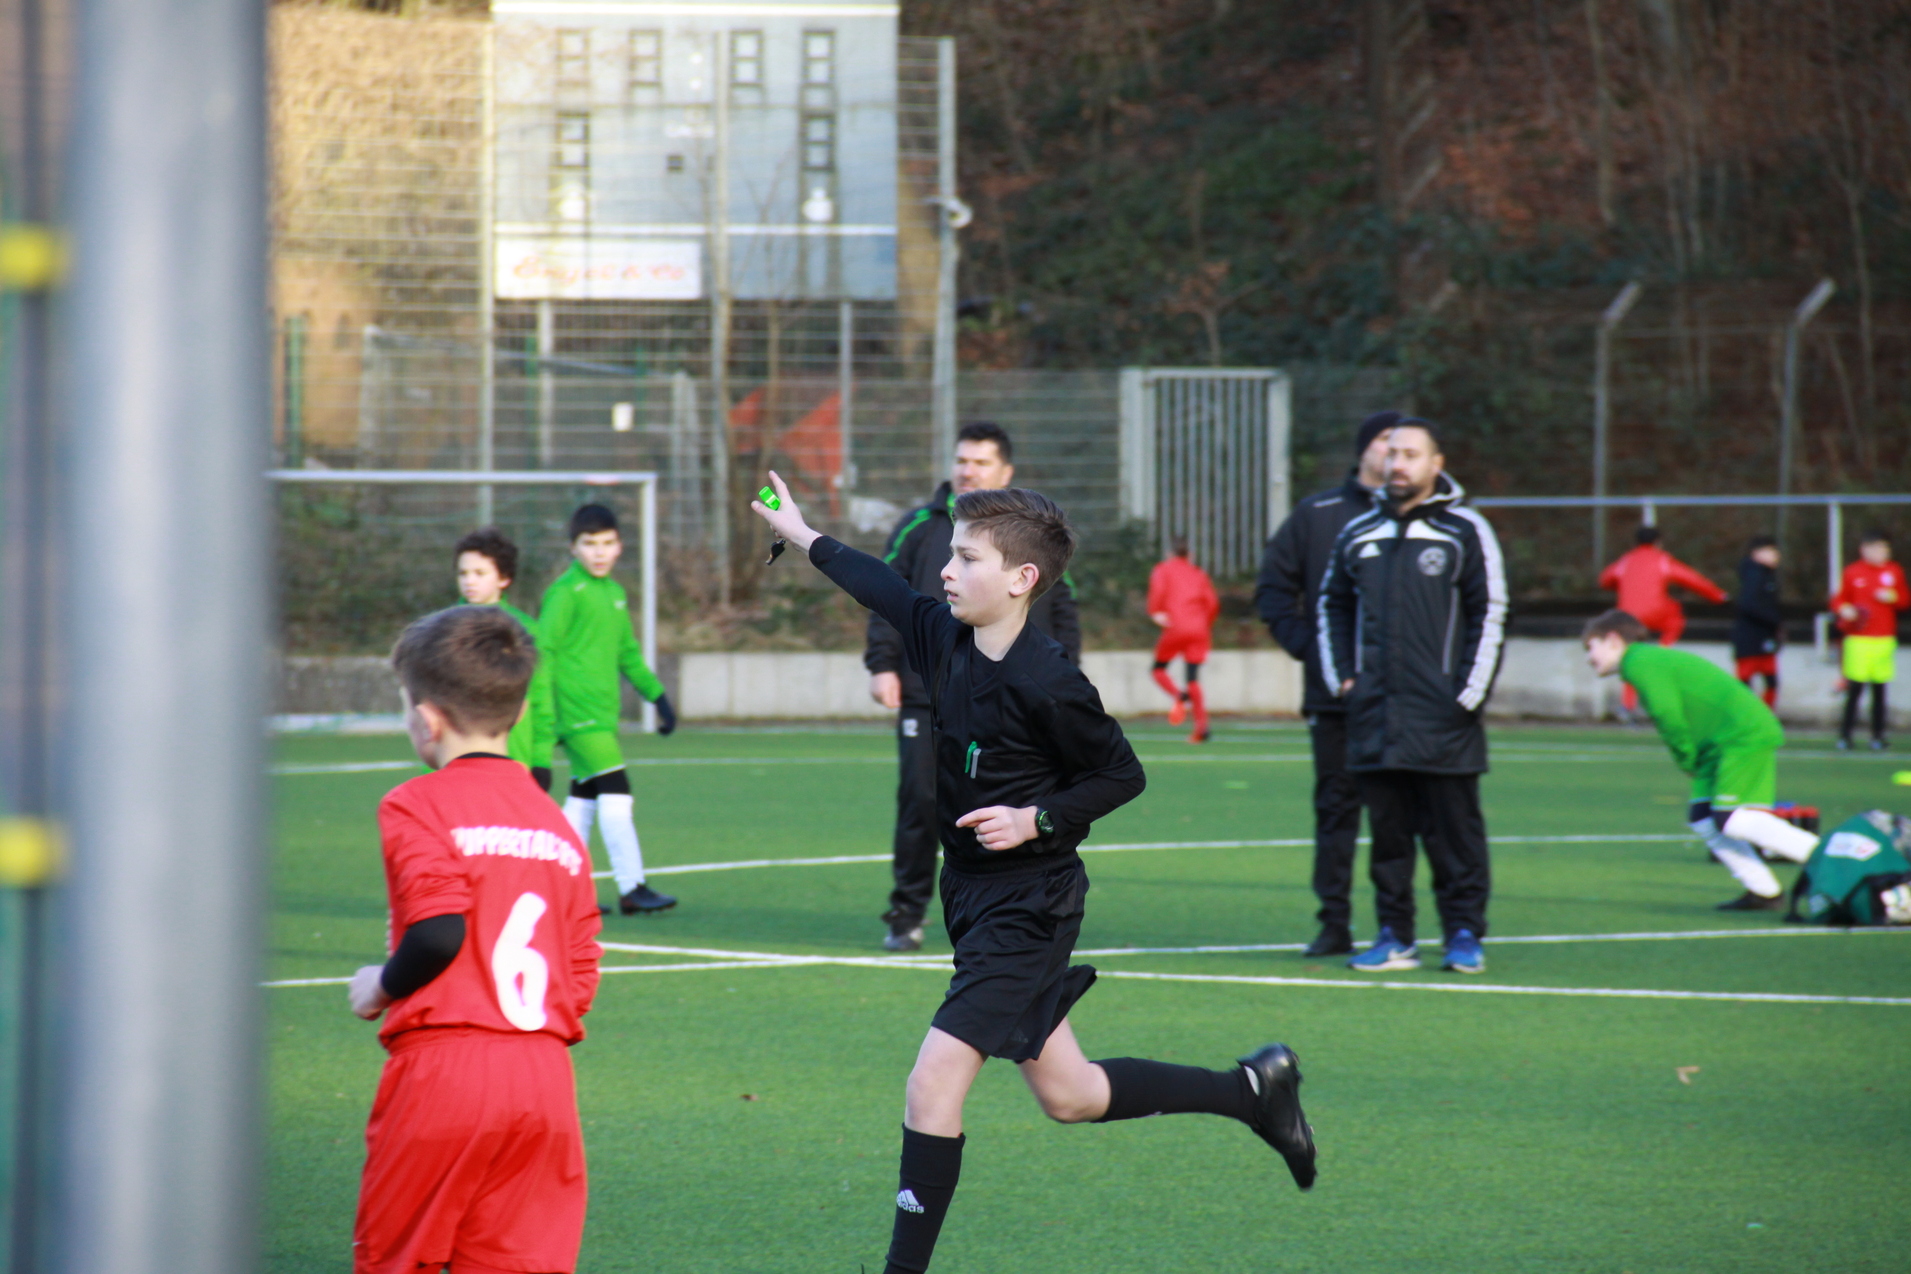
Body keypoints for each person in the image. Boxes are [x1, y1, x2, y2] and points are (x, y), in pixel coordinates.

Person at [750, 473, 1317, 1274]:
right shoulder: (940, 636)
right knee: (1071, 1095)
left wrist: (1035, 818)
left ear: (1021, 580)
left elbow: (1121, 775)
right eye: (948, 554)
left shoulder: (1048, 679)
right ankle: (1252, 1092)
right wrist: (804, 534)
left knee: (931, 1084)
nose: (944, 571)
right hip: (973, 897)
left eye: (966, 557)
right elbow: (877, 584)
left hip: (1031, 904)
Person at [347, 606, 602, 1274]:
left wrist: (378, 984)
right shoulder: (558, 829)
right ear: (517, 715)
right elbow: (580, 973)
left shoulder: (416, 804)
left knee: (399, 1258)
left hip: (446, 1072)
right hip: (544, 1081)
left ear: (426, 718)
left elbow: (436, 934)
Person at [865, 421, 1081, 952]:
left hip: (1014, 699)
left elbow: (1063, 609)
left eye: (980, 463)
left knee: (1017, 804)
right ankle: (907, 914)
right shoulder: (921, 524)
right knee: (921, 801)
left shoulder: (1028, 533)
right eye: (962, 460)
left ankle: (1016, 911)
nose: (967, 470)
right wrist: (882, 664)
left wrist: (1064, 680)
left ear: (1003, 472)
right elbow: (886, 595)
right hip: (928, 692)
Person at [1318, 419, 1507, 975]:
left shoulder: (1466, 530)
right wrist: (1344, 680)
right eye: (1392, 453)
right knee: (1389, 839)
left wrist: (1467, 694)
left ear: (1435, 462)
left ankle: (1464, 933)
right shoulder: (1358, 533)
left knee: (1456, 835)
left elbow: (1491, 610)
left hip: (1444, 714)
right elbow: (1332, 604)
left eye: (1411, 454)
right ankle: (1395, 934)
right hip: (1374, 712)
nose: (1398, 463)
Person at [1254, 410, 1398, 957]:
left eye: (1405, 446)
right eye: (1386, 443)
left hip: (1405, 700)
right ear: (1364, 449)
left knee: (1397, 815)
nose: (1395, 454)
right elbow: (1272, 590)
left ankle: (1396, 927)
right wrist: (1317, 655)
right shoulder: (1318, 514)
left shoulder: (1423, 519)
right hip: (1335, 698)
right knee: (1337, 810)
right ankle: (1334, 921)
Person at [1582, 609, 1818, 909]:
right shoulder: (1643, 660)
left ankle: (1829, 855)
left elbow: (1667, 714)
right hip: (1717, 743)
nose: (1589, 657)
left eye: (1591, 647)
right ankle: (1763, 891)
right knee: (1704, 817)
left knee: (1732, 818)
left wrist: (1685, 756)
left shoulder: (1639, 661)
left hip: (1740, 734)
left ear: (1613, 640)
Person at [539, 503, 679, 914]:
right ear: (572, 548)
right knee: (617, 796)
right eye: (589, 544)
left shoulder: (614, 594)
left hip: (600, 715)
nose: (598, 552)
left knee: (583, 802)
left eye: (606, 543)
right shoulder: (565, 593)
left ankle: (559, 890)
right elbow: (542, 653)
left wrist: (658, 697)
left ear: (619, 546)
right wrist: (547, 720)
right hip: (576, 715)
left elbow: (628, 654)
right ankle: (632, 887)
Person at [455, 527, 558, 791]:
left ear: (504, 578)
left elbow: (540, 698)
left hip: (515, 759)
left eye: (480, 573)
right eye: (463, 573)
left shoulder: (525, 630)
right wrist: (431, 766)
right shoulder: (445, 630)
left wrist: (541, 761)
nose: (469, 581)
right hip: (456, 761)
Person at [1598, 525, 1726, 716]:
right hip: (1656, 614)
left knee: (1631, 658)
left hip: (1627, 617)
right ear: (1658, 542)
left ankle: (1627, 705)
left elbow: (1605, 579)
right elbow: (1691, 579)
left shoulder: (1626, 560)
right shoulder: (1662, 560)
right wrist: (1717, 595)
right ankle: (1664, 648)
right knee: (1675, 614)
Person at [1831, 530, 1906, 751]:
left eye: (1884, 549)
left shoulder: (1894, 571)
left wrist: (1893, 597)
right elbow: (1838, 600)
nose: (1881, 553)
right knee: (1854, 690)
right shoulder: (1853, 572)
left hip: (1884, 640)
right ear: (1864, 549)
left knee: (1880, 690)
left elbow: (1904, 599)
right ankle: (1845, 735)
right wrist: (1844, 609)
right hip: (1858, 640)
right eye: (1876, 548)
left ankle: (1878, 736)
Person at [1147, 536, 1221, 743]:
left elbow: (1158, 592)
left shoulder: (1163, 569)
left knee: (1158, 669)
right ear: (1191, 555)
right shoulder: (1199, 573)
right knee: (1193, 678)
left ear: (1169, 554)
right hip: (1199, 629)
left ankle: (1180, 696)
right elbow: (1212, 602)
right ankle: (1201, 727)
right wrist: (1204, 623)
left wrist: (1155, 612)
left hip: (1175, 626)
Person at [1731, 535, 1782, 709]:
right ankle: (1751, 720)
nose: (1776, 555)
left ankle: (1760, 718)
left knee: (1771, 682)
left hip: (1763, 639)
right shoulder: (1754, 574)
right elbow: (1749, 604)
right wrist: (1774, 621)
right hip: (1750, 640)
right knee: (1747, 684)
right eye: (1772, 551)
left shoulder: (1765, 575)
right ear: (1757, 553)